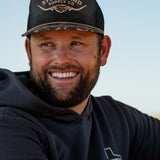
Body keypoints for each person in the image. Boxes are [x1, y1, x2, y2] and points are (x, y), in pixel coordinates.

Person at [0, 0, 159, 159]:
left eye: (76, 43)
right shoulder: (8, 125)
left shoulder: (119, 119)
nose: (61, 60)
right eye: (46, 44)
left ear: (103, 51)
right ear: (29, 52)